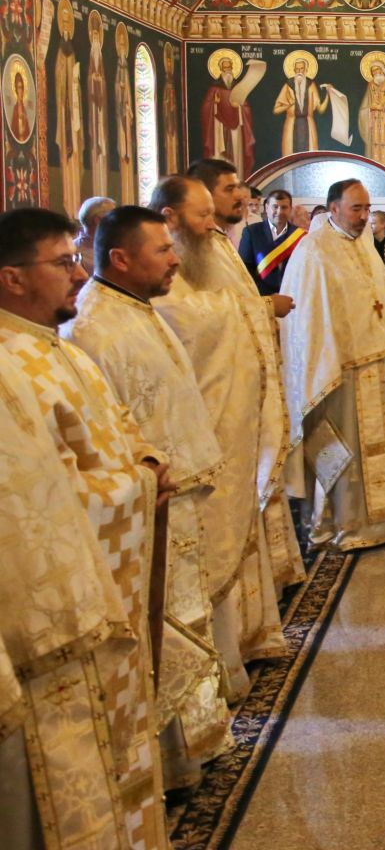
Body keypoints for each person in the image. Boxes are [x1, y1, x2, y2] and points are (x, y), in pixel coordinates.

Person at [0, 207, 169, 846]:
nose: (80, 273)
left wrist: (145, 459)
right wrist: (142, 481)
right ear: (13, 278)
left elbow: (117, 426)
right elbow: (40, 501)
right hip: (63, 609)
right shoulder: (9, 367)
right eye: (64, 262)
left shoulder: (59, 350)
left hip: (106, 585)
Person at [61, 205, 234, 785]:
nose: (174, 259)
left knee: (187, 619)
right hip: (145, 509)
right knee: (163, 627)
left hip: (176, 497)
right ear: (121, 258)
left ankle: (197, 741)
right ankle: (169, 760)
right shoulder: (91, 330)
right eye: (162, 250)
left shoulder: (137, 307)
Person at [153, 166, 299, 695]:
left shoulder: (210, 245)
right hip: (207, 419)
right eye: (224, 192)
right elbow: (190, 321)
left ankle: (247, 634)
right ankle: (225, 653)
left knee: (240, 516)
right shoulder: (171, 262)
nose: (238, 197)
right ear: (172, 216)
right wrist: (261, 309)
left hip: (232, 411)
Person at [280, 179, 385, 551]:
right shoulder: (313, 250)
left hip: (374, 363)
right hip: (336, 370)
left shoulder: (364, 244)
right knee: (342, 450)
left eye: (367, 208)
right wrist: (323, 365)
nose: (364, 216)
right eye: (356, 208)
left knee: (377, 447)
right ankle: (341, 523)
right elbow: (306, 317)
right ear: (334, 208)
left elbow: (381, 301)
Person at [238, 187, 305, 295]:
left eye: (284, 207)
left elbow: (304, 269)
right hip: (261, 296)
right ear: (266, 208)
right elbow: (244, 269)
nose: (279, 212)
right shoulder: (251, 232)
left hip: (292, 296)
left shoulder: (300, 235)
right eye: (275, 207)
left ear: (290, 209)